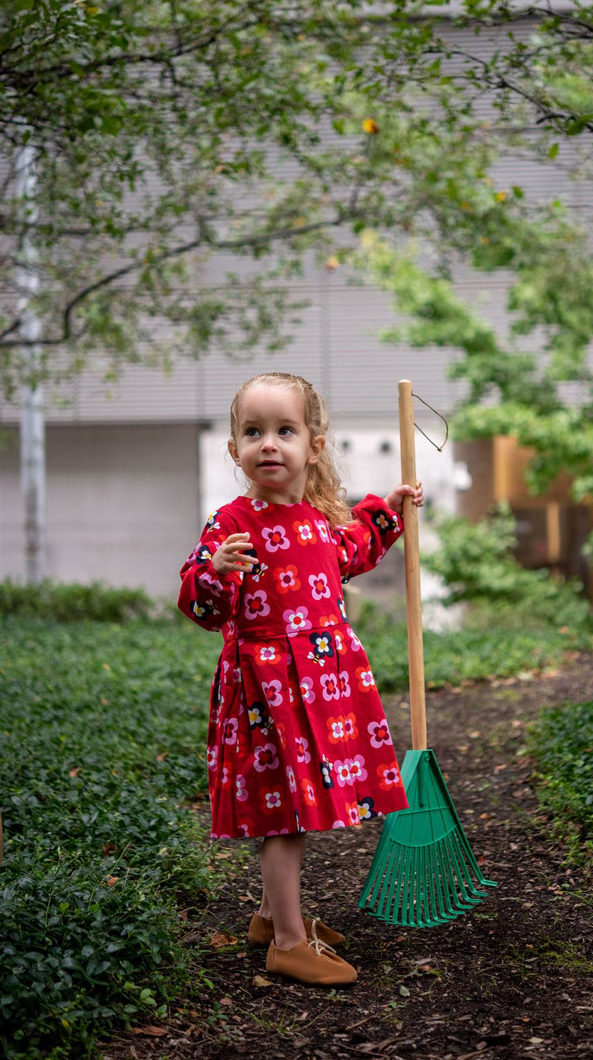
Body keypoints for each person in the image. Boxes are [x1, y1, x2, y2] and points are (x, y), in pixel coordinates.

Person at [178, 372, 423, 986]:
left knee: (298, 804)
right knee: (283, 816)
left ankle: (269, 915)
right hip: (267, 694)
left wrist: (387, 512)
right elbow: (201, 605)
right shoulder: (232, 522)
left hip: (321, 687)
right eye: (253, 432)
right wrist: (217, 569)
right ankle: (288, 942)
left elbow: (352, 549)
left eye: (284, 430)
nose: (269, 444)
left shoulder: (315, 519)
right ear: (234, 449)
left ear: (313, 445)